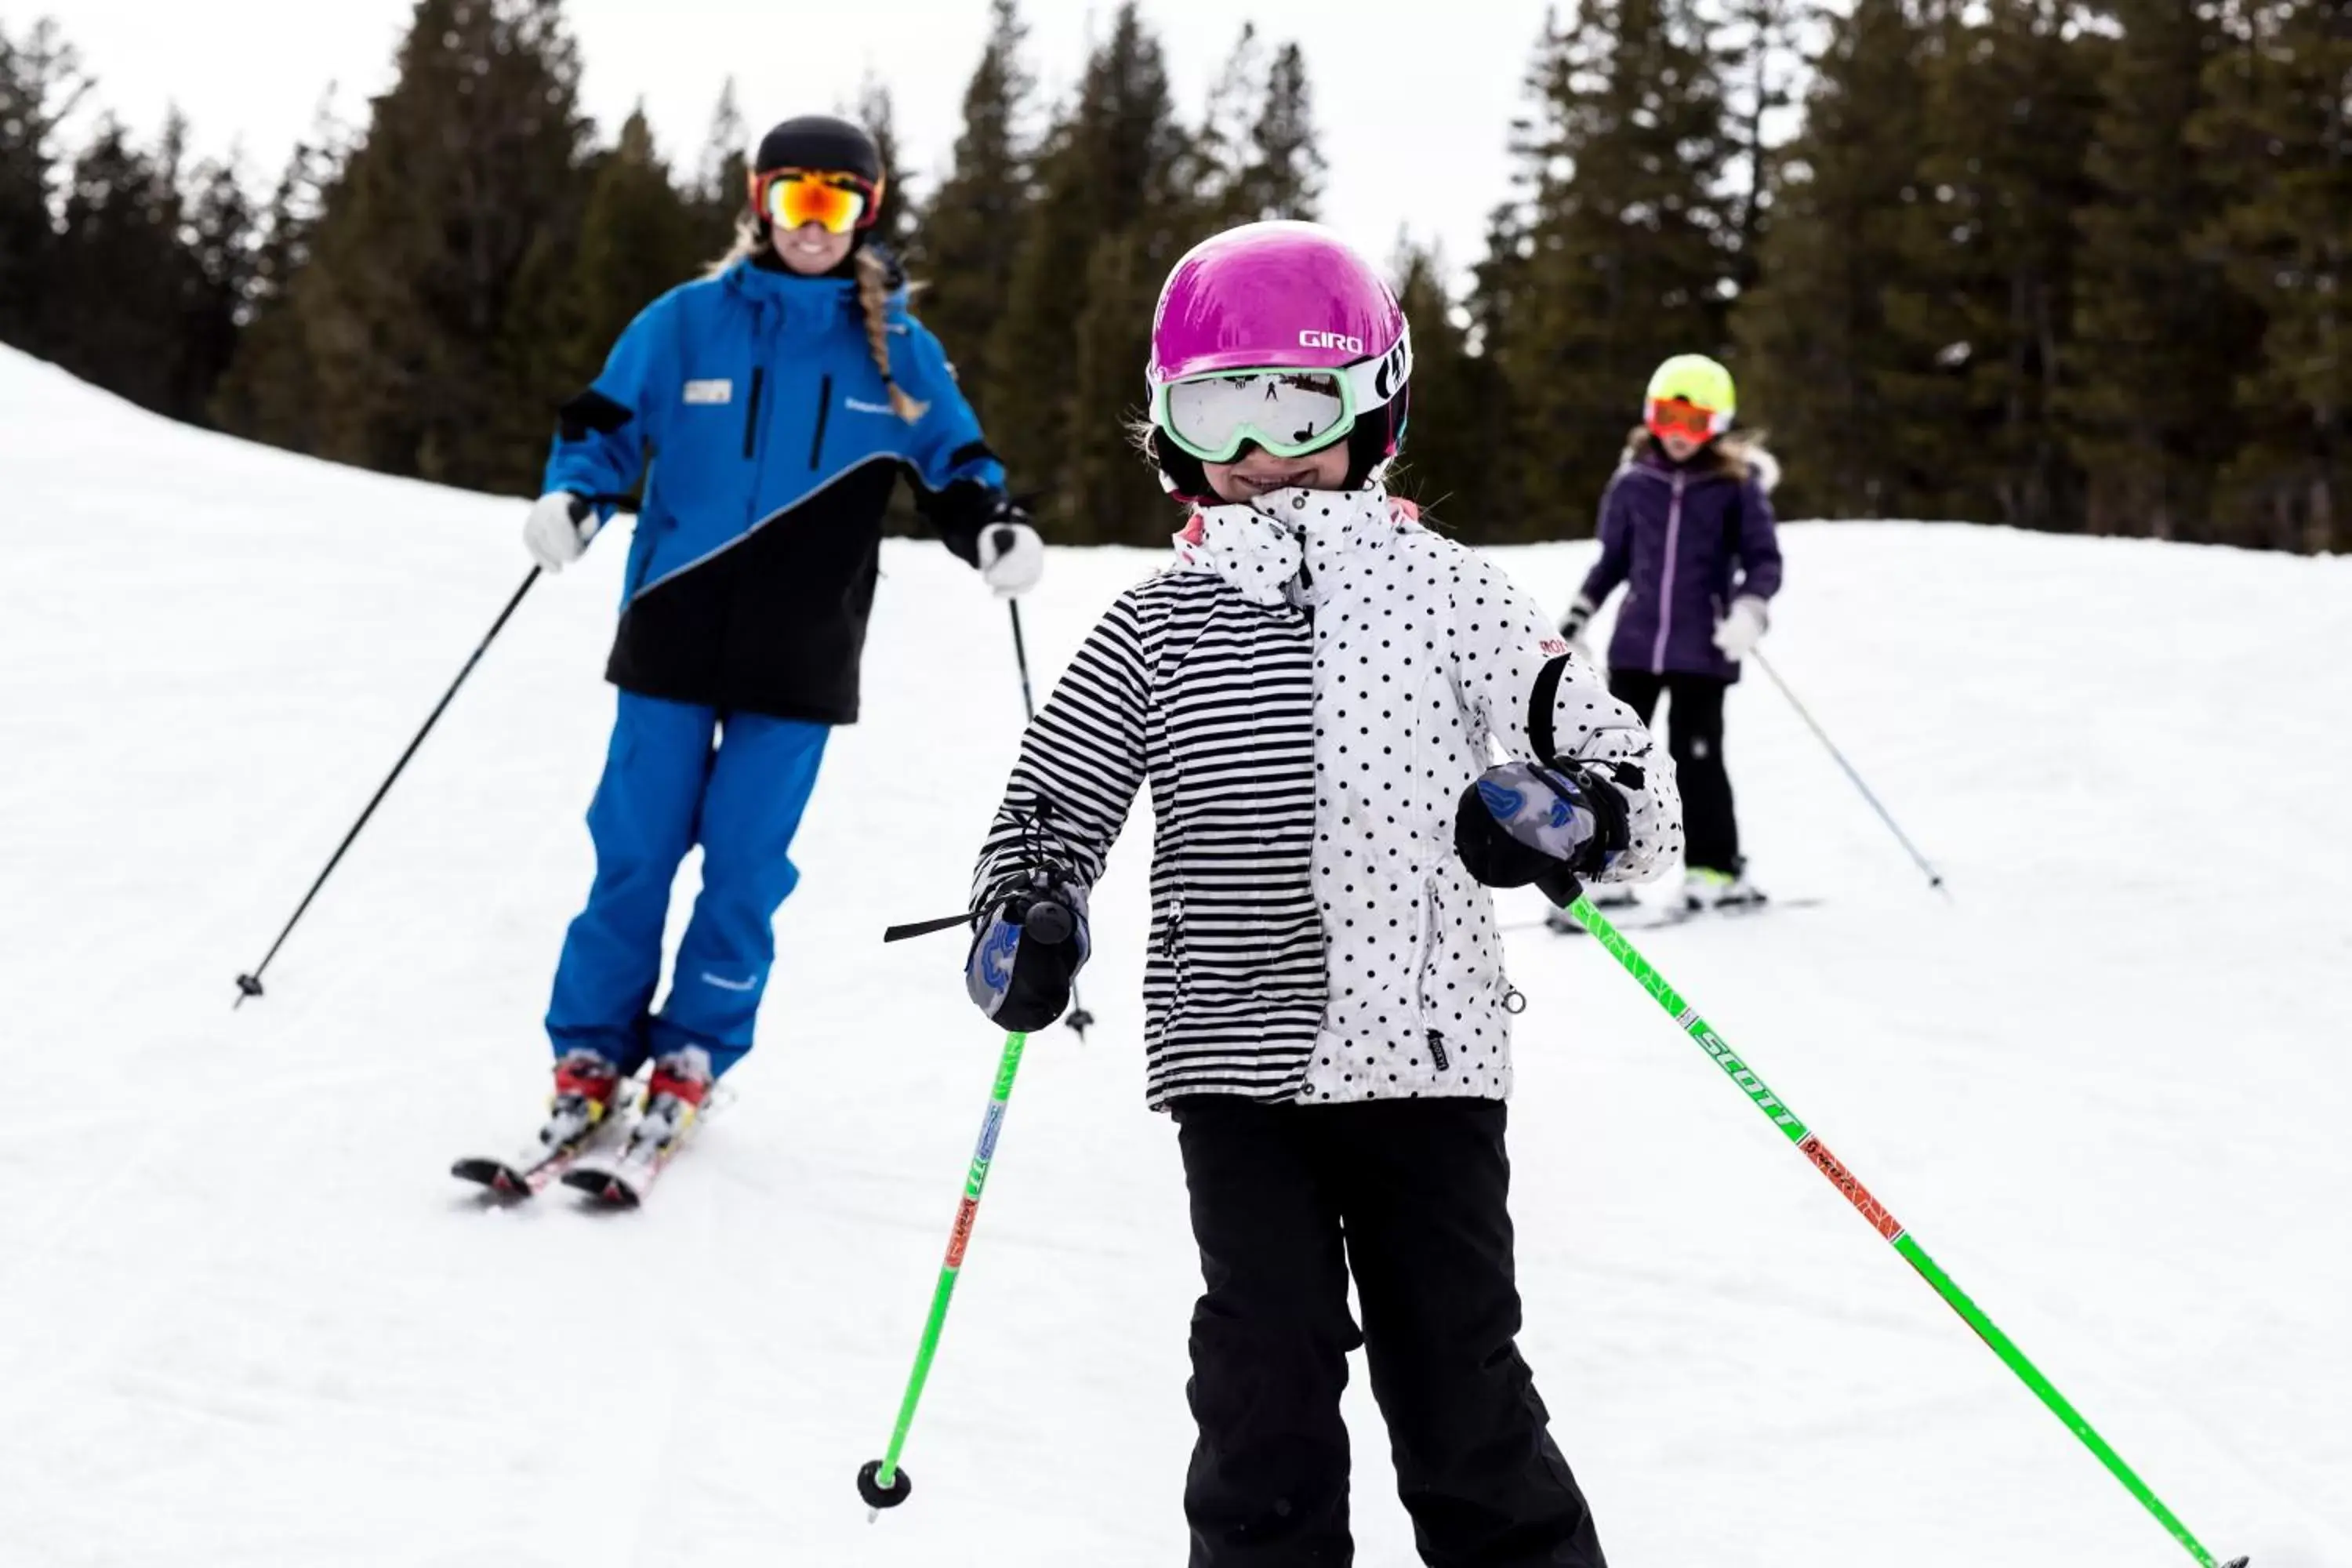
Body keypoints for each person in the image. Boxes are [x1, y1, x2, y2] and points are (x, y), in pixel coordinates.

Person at [960, 220, 1681, 1568]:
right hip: (1240, 1064)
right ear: (1173, 424)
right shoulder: (1154, 622)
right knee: (1264, 1379)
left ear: (1374, 402)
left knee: (1458, 1380)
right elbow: (1049, 809)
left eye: (1295, 397)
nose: (1259, 441)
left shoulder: (1454, 595)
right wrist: (1029, 915)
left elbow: (1633, 786)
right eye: (1217, 402)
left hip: (1429, 1058)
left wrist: (1566, 814)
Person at [518, 114, 1043, 1163]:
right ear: (760, 202)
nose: (814, 224)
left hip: (799, 657)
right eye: (796, 200)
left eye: (837, 203)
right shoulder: (687, 321)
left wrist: (993, 522)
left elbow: (956, 458)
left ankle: (694, 1055)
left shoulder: (895, 347)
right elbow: (602, 421)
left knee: (747, 868)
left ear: (867, 213)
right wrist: (574, 496)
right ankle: (587, 1054)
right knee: (634, 853)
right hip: (670, 633)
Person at [1558, 353, 1781, 915]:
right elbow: (1611, 562)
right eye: (1668, 417)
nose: (1680, 435)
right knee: (1614, 759)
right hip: (1635, 647)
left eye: (1695, 422)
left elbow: (1763, 559)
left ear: (1719, 425)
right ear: (1650, 416)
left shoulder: (1735, 487)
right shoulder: (1634, 484)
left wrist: (1750, 610)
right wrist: (1579, 615)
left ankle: (1714, 870)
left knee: (1697, 758)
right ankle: (1604, 871)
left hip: (1704, 649)